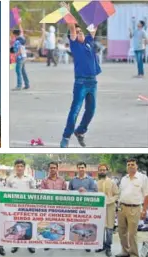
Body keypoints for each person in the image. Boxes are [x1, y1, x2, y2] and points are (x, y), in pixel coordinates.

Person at [59, 2, 101, 148]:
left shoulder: (88, 42)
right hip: (81, 82)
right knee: (75, 110)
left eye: (81, 31)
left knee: (91, 110)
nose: (80, 32)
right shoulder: (75, 45)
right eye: (77, 32)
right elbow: (71, 26)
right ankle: (65, 137)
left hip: (93, 82)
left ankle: (80, 131)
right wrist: (66, 11)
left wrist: (95, 8)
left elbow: (94, 26)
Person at [115, 158, 148, 257]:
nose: (130, 166)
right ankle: (125, 251)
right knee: (121, 231)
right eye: (128, 164)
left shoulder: (142, 178)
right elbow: (121, 193)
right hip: (122, 208)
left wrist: (144, 210)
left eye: (132, 164)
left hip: (134, 208)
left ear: (136, 166)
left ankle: (134, 255)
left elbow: (147, 195)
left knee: (132, 233)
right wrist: (118, 207)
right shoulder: (124, 178)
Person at [6, 159, 36, 254]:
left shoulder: (30, 178)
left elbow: (34, 191)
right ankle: (16, 245)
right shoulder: (10, 179)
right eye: (17, 166)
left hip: (27, 207)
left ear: (24, 167)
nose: (19, 168)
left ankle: (30, 244)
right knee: (16, 225)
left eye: (21, 166)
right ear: (15, 167)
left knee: (28, 225)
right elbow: (6, 192)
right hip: (14, 207)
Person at [68, 161, 98, 253]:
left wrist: (86, 191)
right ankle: (74, 243)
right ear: (77, 168)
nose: (81, 169)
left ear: (85, 168)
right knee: (76, 224)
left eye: (82, 167)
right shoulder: (73, 180)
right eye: (79, 167)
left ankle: (86, 244)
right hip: (76, 206)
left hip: (87, 206)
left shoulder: (90, 180)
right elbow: (69, 191)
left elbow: (95, 191)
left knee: (86, 224)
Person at [95, 164, 119, 257]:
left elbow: (117, 194)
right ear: (98, 171)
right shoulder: (96, 183)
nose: (102, 171)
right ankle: (101, 246)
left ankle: (108, 247)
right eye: (100, 170)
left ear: (107, 171)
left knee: (109, 228)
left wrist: (109, 200)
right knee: (100, 227)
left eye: (103, 170)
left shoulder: (112, 182)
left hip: (110, 207)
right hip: (99, 208)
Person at [12, 19, 30, 90]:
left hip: (20, 58)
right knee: (23, 71)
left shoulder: (17, 41)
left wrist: (15, 55)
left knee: (18, 71)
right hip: (24, 57)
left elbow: (19, 49)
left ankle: (19, 86)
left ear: (14, 34)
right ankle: (27, 84)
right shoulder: (22, 37)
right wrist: (19, 24)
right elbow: (21, 31)